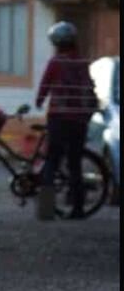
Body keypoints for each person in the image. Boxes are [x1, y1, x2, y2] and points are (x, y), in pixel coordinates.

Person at [35, 21, 98, 220]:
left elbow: (44, 86)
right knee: (74, 164)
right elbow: (88, 88)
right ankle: (78, 209)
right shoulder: (82, 62)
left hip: (59, 118)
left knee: (52, 161)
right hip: (79, 120)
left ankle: (46, 210)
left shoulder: (56, 62)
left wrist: (39, 101)